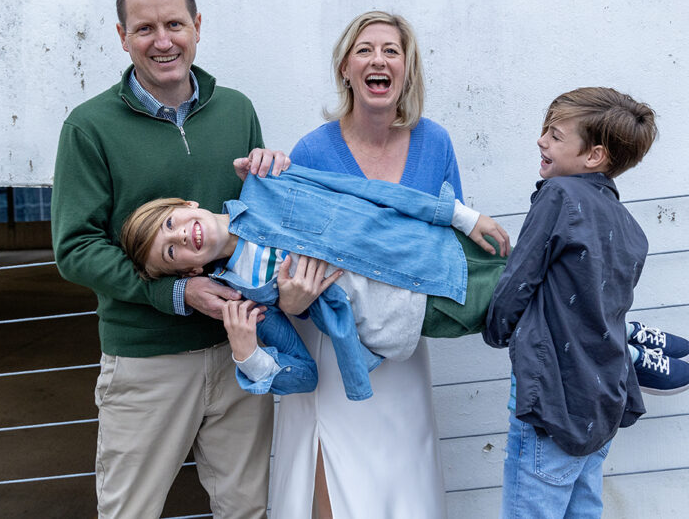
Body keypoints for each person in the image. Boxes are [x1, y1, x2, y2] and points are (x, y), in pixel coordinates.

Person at [50, 0, 324, 519]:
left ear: (197, 26)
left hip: (239, 349)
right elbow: (75, 248)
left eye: (174, 23)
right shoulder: (89, 127)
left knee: (246, 509)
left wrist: (274, 173)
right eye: (144, 29)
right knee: (131, 511)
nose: (162, 41)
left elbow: (254, 224)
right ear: (122, 37)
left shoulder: (236, 110)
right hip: (147, 360)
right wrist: (174, 295)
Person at [262, 11, 475, 518]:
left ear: (407, 69)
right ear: (344, 68)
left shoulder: (435, 143)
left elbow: (447, 249)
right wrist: (290, 299)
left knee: (402, 485)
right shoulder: (312, 152)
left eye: (391, 51)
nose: (378, 60)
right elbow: (288, 258)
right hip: (334, 345)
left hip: (404, 348)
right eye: (364, 49)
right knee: (334, 486)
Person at [116, 166, 510, 400]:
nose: (181, 237)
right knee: (530, 316)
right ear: (189, 273)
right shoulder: (246, 299)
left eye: (170, 224)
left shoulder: (266, 181)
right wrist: (246, 353)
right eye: (170, 252)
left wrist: (458, 214)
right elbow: (304, 376)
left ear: (187, 206)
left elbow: (362, 190)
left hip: (434, 249)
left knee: (553, 281)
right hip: (409, 315)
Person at [483, 87, 689, 518]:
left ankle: (633, 342)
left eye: (556, 136)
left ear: (594, 156)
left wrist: (495, 329)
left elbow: (518, 280)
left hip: (551, 400)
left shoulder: (559, 195)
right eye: (545, 130)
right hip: (599, 401)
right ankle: (631, 342)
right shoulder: (630, 227)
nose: (542, 140)